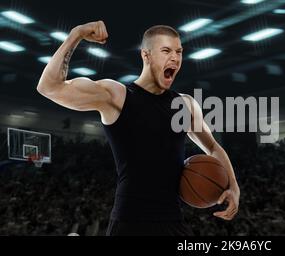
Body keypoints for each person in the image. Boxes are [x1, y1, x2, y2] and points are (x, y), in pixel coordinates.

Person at [36, 20, 240, 236]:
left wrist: (233, 187)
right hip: (129, 222)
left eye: (179, 52)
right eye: (166, 51)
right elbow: (49, 87)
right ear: (146, 55)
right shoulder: (117, 96)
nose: (175, 58)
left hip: (172, 221)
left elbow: (213, 147)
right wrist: (76, 34)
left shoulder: (185, 104)